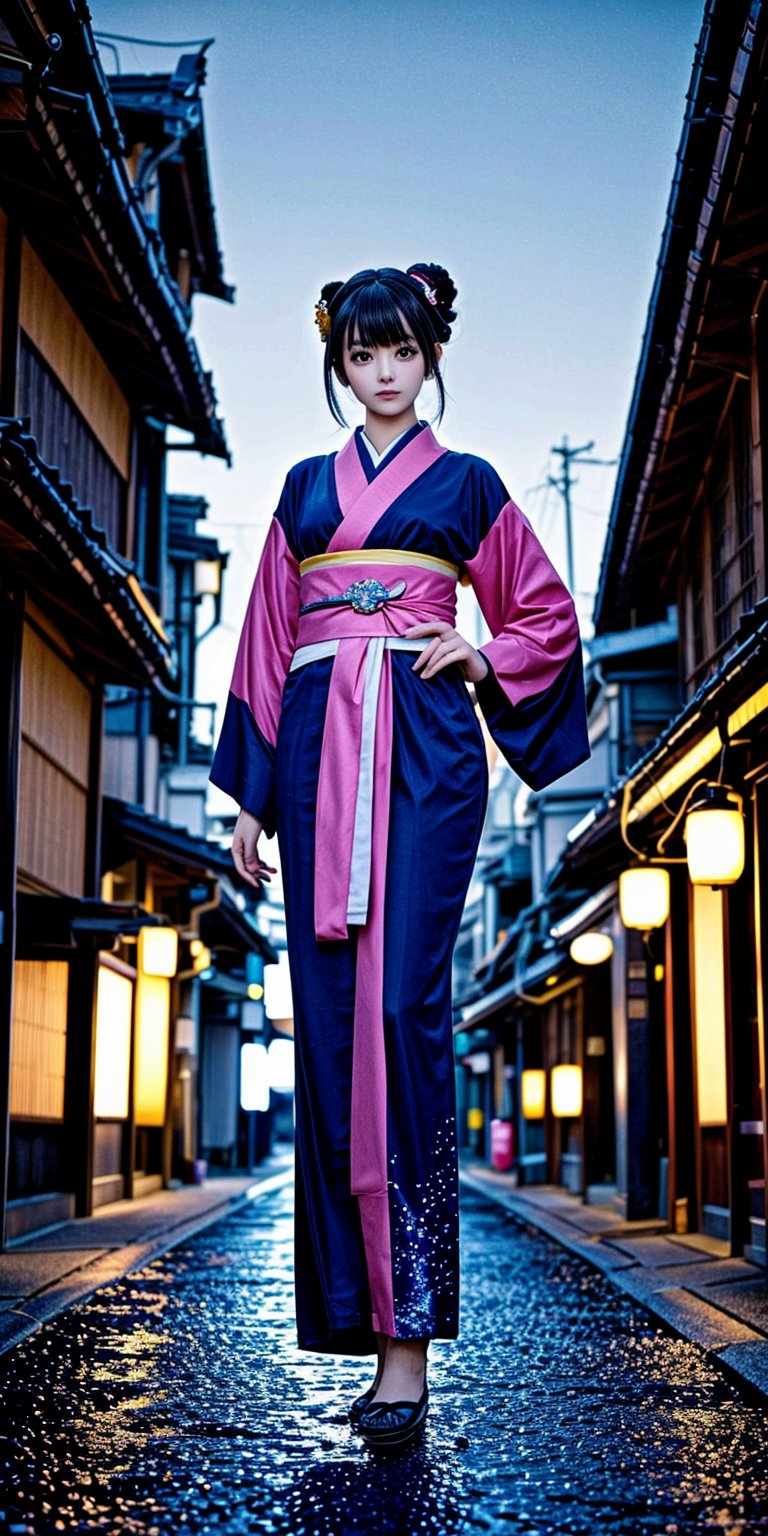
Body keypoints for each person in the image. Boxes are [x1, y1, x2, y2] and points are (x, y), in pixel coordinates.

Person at [209, 263, 589, 1450]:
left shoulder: (471, 487)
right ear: (338, 365)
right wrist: (250, 806)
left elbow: (545, 617)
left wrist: (479, 655)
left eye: (405, 353)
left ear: (431, 361)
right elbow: (268, 641)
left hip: (423, 753)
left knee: (404, 1019)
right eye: (363, 355)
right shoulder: (300, 490)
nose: (384, 372)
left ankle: (408, 1346)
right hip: (318, 750)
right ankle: (359, 1326)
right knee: (329, 1032)